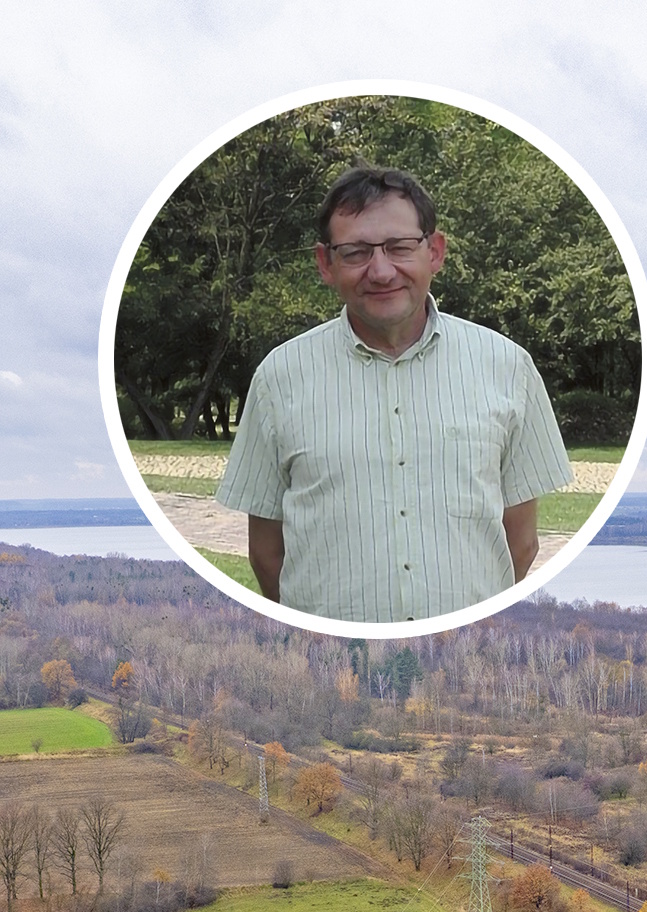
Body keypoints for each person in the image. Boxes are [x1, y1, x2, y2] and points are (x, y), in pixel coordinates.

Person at [214, 164, 572, 623]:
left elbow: (521, 544)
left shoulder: (509, 367)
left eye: (399, 247)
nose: (381, 271)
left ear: (435, 251)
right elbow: (266, 552)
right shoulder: (278, 378)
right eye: (357, 252)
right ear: (326, 263)